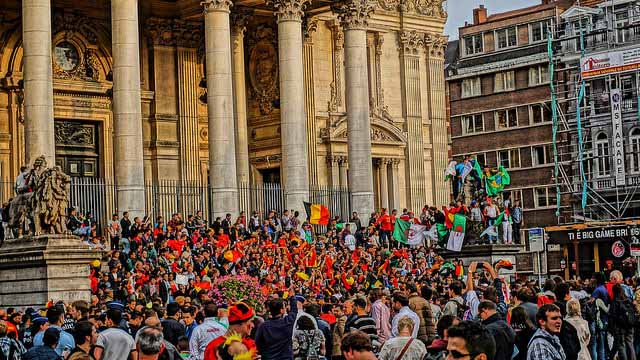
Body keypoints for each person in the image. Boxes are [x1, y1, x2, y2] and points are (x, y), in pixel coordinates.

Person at [608, 284, 636, 360]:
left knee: (621, 346)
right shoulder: (628, 300)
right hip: (630, 326)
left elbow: (612, 316)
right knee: (630, 345)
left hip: (619, 328)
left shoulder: (615, 302)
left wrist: (611, 328)